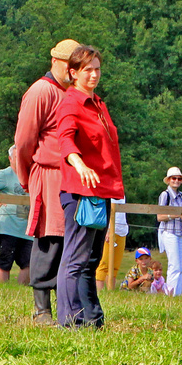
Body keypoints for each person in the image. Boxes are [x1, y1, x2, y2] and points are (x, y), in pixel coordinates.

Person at [54, 45, 123, 328]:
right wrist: (79, 164)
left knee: (91, 259)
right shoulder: (71, 103)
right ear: (73, 73)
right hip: (81, 191)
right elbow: (65, 138)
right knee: (74, 258)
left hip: (101, 190)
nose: (94, 74)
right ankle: (69, 320)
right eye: (87, 70)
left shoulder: (98, 104)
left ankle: (92, 317)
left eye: (97, 69)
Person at [15, 39, 79, 324]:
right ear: (56, 61)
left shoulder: (73, 94)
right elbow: (24, 141)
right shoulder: (41, 91)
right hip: (48, 175)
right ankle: (41, 309)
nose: (74, 71)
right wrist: (27, 176)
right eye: (70, 65)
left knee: (70, 241)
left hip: (71, 178)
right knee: (49, 239)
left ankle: (70, 306)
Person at [0, 147, 31, 285]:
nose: (19, 159)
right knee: (5, 261)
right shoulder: (5, 174)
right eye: (16, 157)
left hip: (26, 226)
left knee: (29, 262)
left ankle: (20, 291)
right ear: (10, 159)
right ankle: (3, 290)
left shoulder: (30, 172)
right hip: (7, 225)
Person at [156, 167, 182, 296]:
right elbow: (160, 216)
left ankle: (177, 294)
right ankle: (170, 295)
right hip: (169, 232)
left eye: (178, 178)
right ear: (168, 180)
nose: (176, 180)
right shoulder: (165, 195)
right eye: (173, 178)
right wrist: (177, 215)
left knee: (180, 267)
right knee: (174, 265)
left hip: (181, 233)